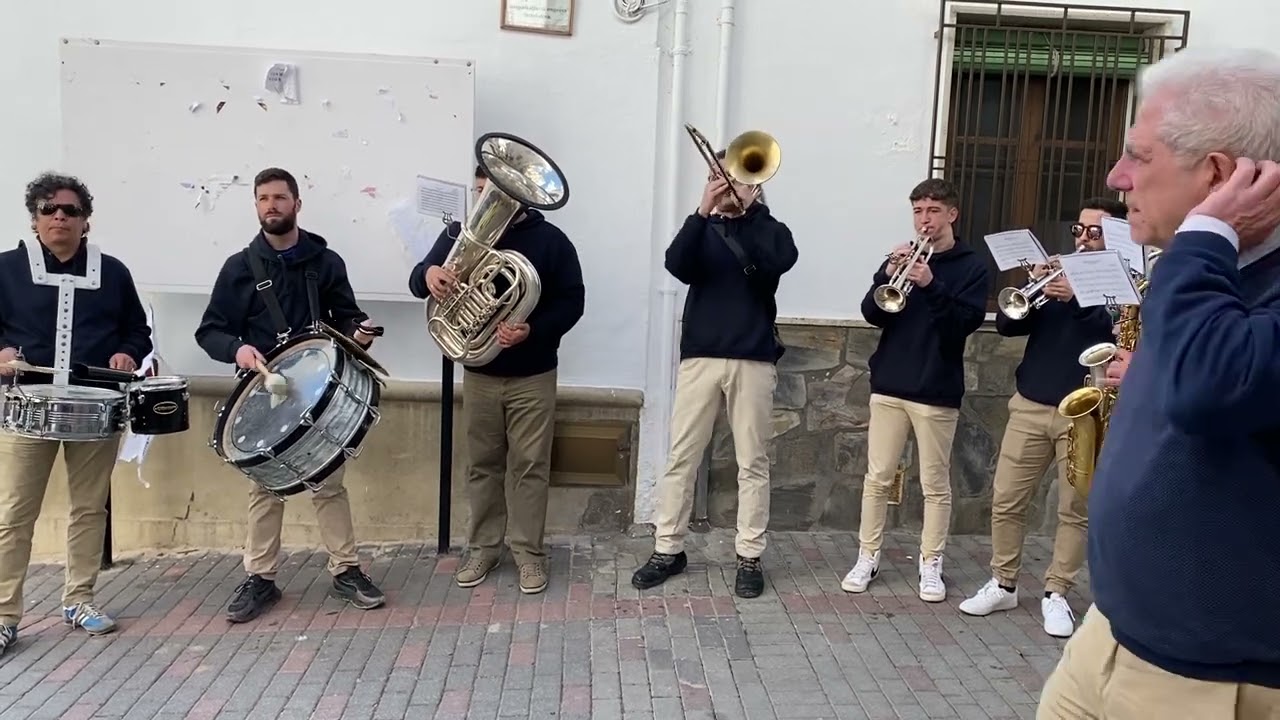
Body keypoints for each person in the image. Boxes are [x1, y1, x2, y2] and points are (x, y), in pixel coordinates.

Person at [1038, 47, 1280, 718]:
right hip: (1110, 635)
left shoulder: (1202, 259)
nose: (1116, 177)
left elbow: (1211, 386)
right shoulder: (1208, 271)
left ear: (1222, 175)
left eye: (1138, 157)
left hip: (1208, 680)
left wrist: (1204, 235)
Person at [195, 167, 385, 623]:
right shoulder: (239, 268)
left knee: (329, 482)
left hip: (319, 391)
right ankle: (261, 578)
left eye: (280, 198)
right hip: (266, 391)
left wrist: (358, 332)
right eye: (263, 199)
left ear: (297, 204)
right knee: (265, 487)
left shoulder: (326, 262)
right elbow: (210, 331)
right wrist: (237, 349)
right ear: (256, 206)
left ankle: (346, 570)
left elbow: (347, 317)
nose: (271, 206)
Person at [409, 162, 584, 595]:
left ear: (520, 195)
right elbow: (418, 280)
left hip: (533, 375)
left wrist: (532, 330)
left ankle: (529, 554)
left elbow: (572, 302)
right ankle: (484, 549)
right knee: (482, 466)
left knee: (530, 467)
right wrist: (428, 274)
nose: (486, 201)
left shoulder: (551, 241)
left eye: (497, 192)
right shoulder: (460, 236)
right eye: (481, 191)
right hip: (481, 373)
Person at [630, 152, 798, 599]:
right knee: (681, 456)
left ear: (754, 184)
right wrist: (703, 210)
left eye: (730, 179)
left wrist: (750, 210)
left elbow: (781, 259)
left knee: (752, 461)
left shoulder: (770, 230)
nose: (720, 185)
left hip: (753, 357)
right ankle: (667, 549)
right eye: (712, 177)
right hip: (700, 356)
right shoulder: (702, 228)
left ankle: (749, 554)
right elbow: (676, 264)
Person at [0, 172, 153, 655]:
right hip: (27, 405)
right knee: (14, 513)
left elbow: (137, 329)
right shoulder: (6, 268)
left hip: (95, 406)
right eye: (48, 209)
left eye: (70, 210)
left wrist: (128, 353)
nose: (59, 217)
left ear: (86, 220)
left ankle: (79, 599)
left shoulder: (113, 272)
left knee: (89, 508)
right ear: (34, 218)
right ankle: (4, 615)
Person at [958, 198, 1125, 638]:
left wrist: (1075, 297)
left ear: (1116, 237)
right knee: (1006, 498)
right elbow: (1009, 326)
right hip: (1031, 403)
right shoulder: (1058, 274)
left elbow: (1105, 332)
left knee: (1074, 509)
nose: (1083, 238)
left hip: (1085, 411)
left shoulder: (1123, 283)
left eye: (1094, 231)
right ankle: (1003, 583)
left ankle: (1057, 592)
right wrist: (1032, 288)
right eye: (1079, 229)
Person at [841, 178, 990, 603]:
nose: (924, 220)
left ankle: (931, 563)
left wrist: (931, 284)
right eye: (918, 211)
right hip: (890, 384)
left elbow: (962, 325)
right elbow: (873, 312)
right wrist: (887, 273)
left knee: (934, 484)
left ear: (952, 215)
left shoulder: (971, 266)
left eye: (933, 211)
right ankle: (867, 556)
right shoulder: (905, 257)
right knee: (877, 478)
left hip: (936, 389)